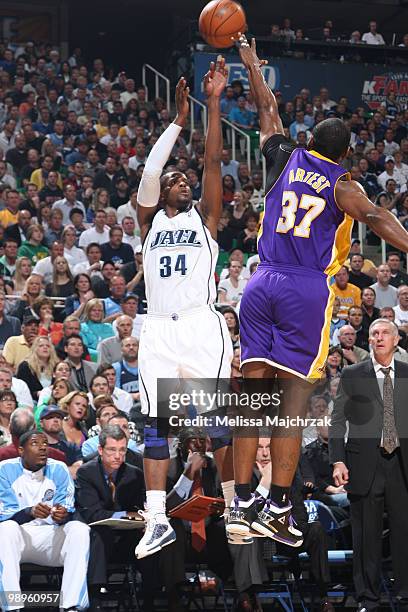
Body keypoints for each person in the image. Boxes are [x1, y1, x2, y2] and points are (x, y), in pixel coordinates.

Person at [227, 34, 408, 546]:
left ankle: (241, 501)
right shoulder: (342, 185)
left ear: (309, 141)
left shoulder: (286, 157)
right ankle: (278, 507)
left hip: (260, 281)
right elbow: (376, 216)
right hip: (304, 288)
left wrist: (251, 64)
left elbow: (267, 109)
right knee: (291, 403)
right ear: (346, 153)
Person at [135, 61, 234, 559]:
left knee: (216, 415)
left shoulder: (206, 220)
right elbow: (151, 171)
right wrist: (177, 120)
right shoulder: (149, 220)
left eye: (184, 180)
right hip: (156, 327)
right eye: (176, 180)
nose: (182, 182)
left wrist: (212, 103)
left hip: (199, 323)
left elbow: (213, 161)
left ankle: (235, 505)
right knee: (155, 422)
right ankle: (155, 519)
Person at [329, 319, 408, 611]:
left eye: (385, 332)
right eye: (374, 333)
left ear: (397, 340)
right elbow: (338, 420)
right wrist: (337, 459)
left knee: (404, 533)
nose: (378, 337)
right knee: (366, 537)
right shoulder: (353, 373)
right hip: (364, 463)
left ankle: (404, 594)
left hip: (401, 465)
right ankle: (368, 598)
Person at [0, 429, 90, 611]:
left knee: (79, 529)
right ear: (21, 450)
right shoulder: (5, 469)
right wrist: (29, 512)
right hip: (19, 538)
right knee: (6, 529)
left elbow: (67, 505)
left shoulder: (59, 468)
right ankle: (12, 605)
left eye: (45, 444)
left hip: (50, 537)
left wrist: (62, 515)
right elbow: (3, 514)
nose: (42, 448)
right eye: (35, 443)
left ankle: (71, 605)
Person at [75, 425, 157, 612]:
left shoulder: (134, 474)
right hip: (98, 536)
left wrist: (144, 519)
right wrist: (126, 515)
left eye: (122, 450)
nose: (118, 456)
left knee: (150, 537)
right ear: (100, 450)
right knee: (99, 534)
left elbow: (139, 508)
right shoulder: (86, 473)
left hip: (126, 536)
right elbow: (92, 514)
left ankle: (151, 597)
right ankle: (95, 597)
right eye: (112, 450)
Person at [16, 336, 59, 402]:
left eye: (48, 346)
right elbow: (21, 390)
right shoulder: (25, 366)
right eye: (41, 345)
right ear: (35, 349)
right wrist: (37, 394)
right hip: (31, 402)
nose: (45, 347)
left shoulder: (56, 366)